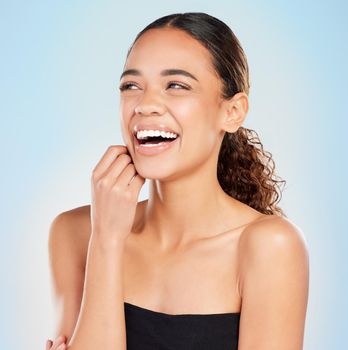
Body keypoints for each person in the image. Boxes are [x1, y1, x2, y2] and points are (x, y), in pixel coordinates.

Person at [46, 12, 309, 350]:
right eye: (131, 86)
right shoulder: (76, 232)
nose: (145, 105)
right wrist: (106, 241)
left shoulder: (269, 246)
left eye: (176, 85)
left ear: (232, 112)